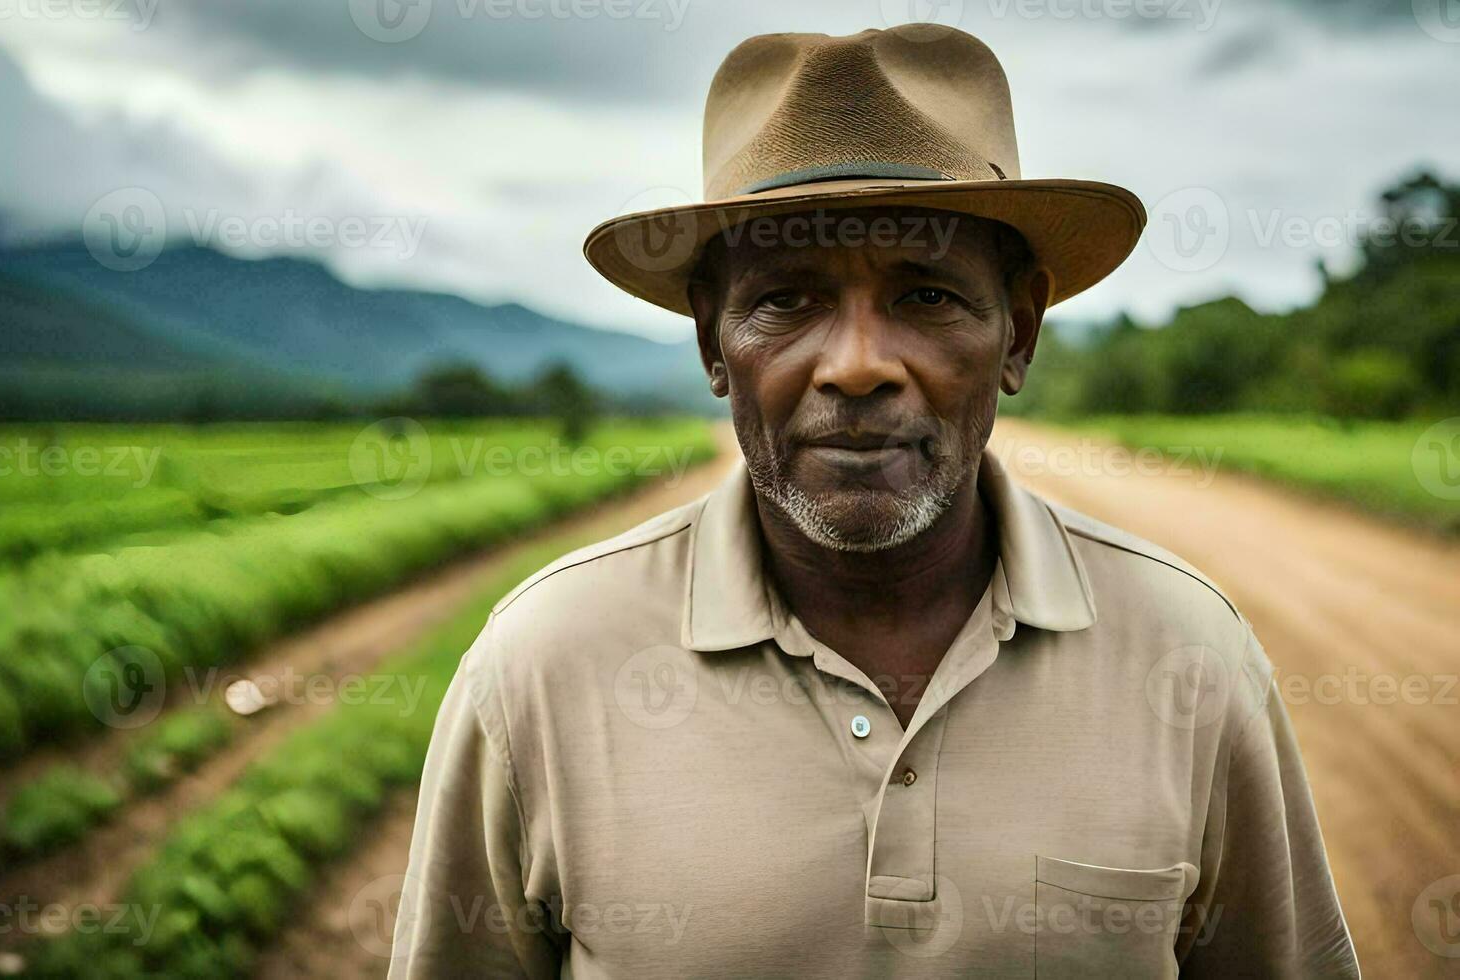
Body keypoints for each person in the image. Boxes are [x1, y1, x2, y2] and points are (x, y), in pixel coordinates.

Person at [390, 25, 1360, 978]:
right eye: (789, 299)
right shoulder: (540, 669)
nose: (857, 366)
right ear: (710, 344)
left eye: (928, 295)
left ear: (1017, 334)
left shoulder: (1191, 653)